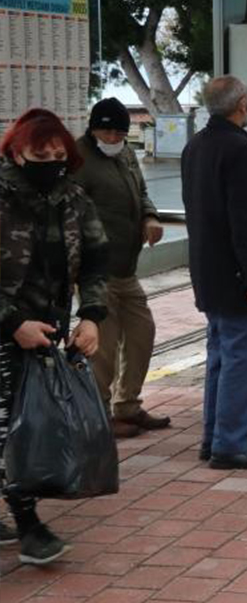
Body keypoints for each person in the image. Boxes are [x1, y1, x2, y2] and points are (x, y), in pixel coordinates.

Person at [0, 109, 106, 564]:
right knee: (12, 426)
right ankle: (28, 525)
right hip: (8, 327)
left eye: (58, 156)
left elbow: (96, 261)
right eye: (39, 156)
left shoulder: (74, 199)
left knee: (29, 420)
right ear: (16, 153)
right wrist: (12, 324)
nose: (50, 164)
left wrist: (92, 317)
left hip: (46, 330)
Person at [182, 76, 247, 470]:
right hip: (239, 277)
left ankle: (216, 436)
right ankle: (231, 444)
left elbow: (211, 205)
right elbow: (244, 223)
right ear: (242, 103)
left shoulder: (196, 146)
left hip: (210, 272)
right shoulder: (240, 150)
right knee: (243, 362)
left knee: (221, 359)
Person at [73, 98, 168, 440]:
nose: (113, 138)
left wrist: (150, 216)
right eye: (107, 132)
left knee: (142, 331)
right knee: (103, 344)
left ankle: (127, 404)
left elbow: (141, 191)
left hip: (126, 267)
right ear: (93, 129)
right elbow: (71, 213)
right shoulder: (78, 159)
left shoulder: (125, 154)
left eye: (119, 133)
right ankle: (99, 413)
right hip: (96, 269)